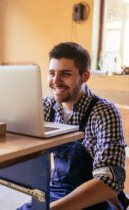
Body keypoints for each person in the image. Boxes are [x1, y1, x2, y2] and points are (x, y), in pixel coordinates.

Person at [18, 42, 128, 210]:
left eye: (65, 74)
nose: (55, 81)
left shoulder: (104, 113)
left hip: (99, 197)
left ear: (85, 76)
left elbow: (110, 181)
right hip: (59, 190)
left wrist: (53, 209)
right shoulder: (46, 107)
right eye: (52, 73)